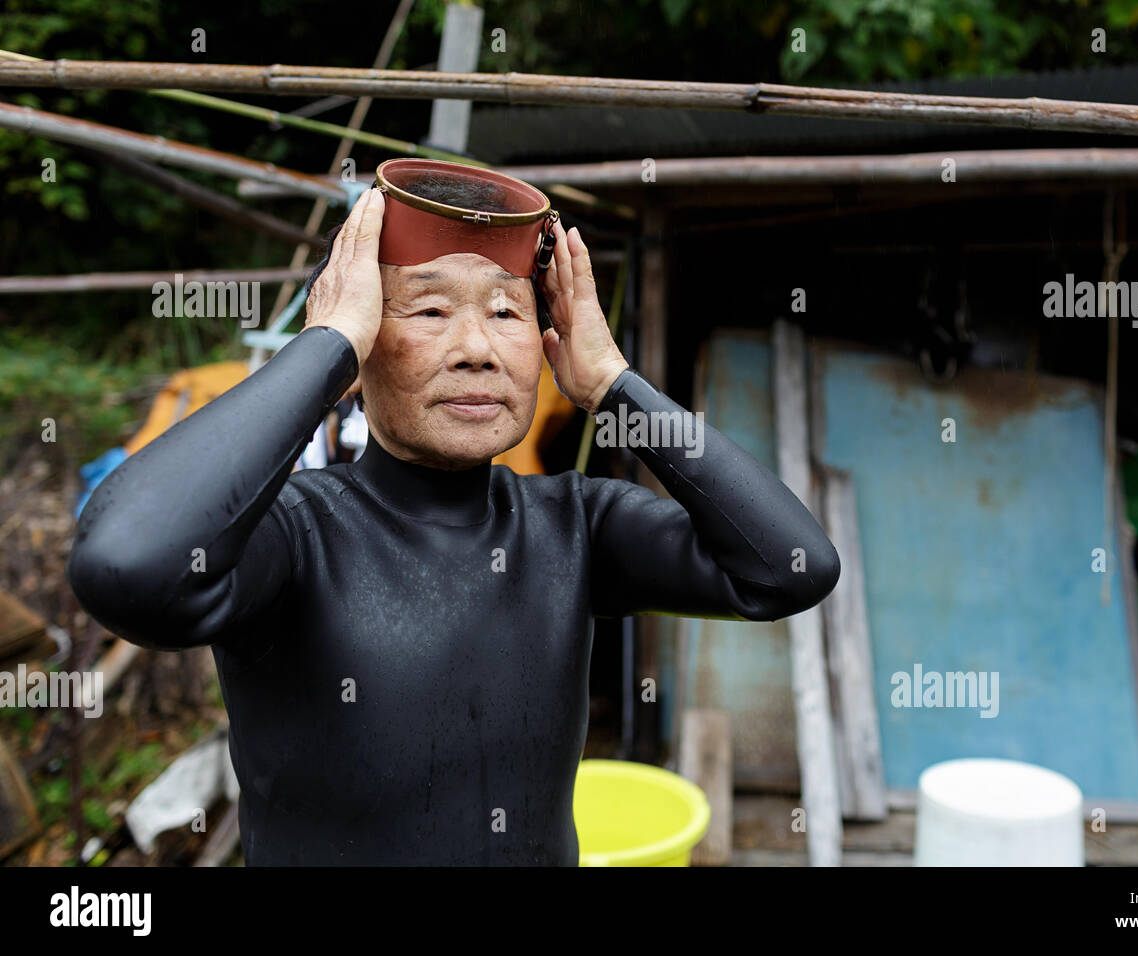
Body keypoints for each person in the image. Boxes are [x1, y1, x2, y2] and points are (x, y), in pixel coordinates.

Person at [66, 182, 841, 865]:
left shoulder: (573, 526)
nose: (476, 348)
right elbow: (126, 564)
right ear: (365, 345)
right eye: (430, 309)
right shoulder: (296, 538)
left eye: (507, 311)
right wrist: (324, 347)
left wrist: (613, 382)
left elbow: (792, 566)